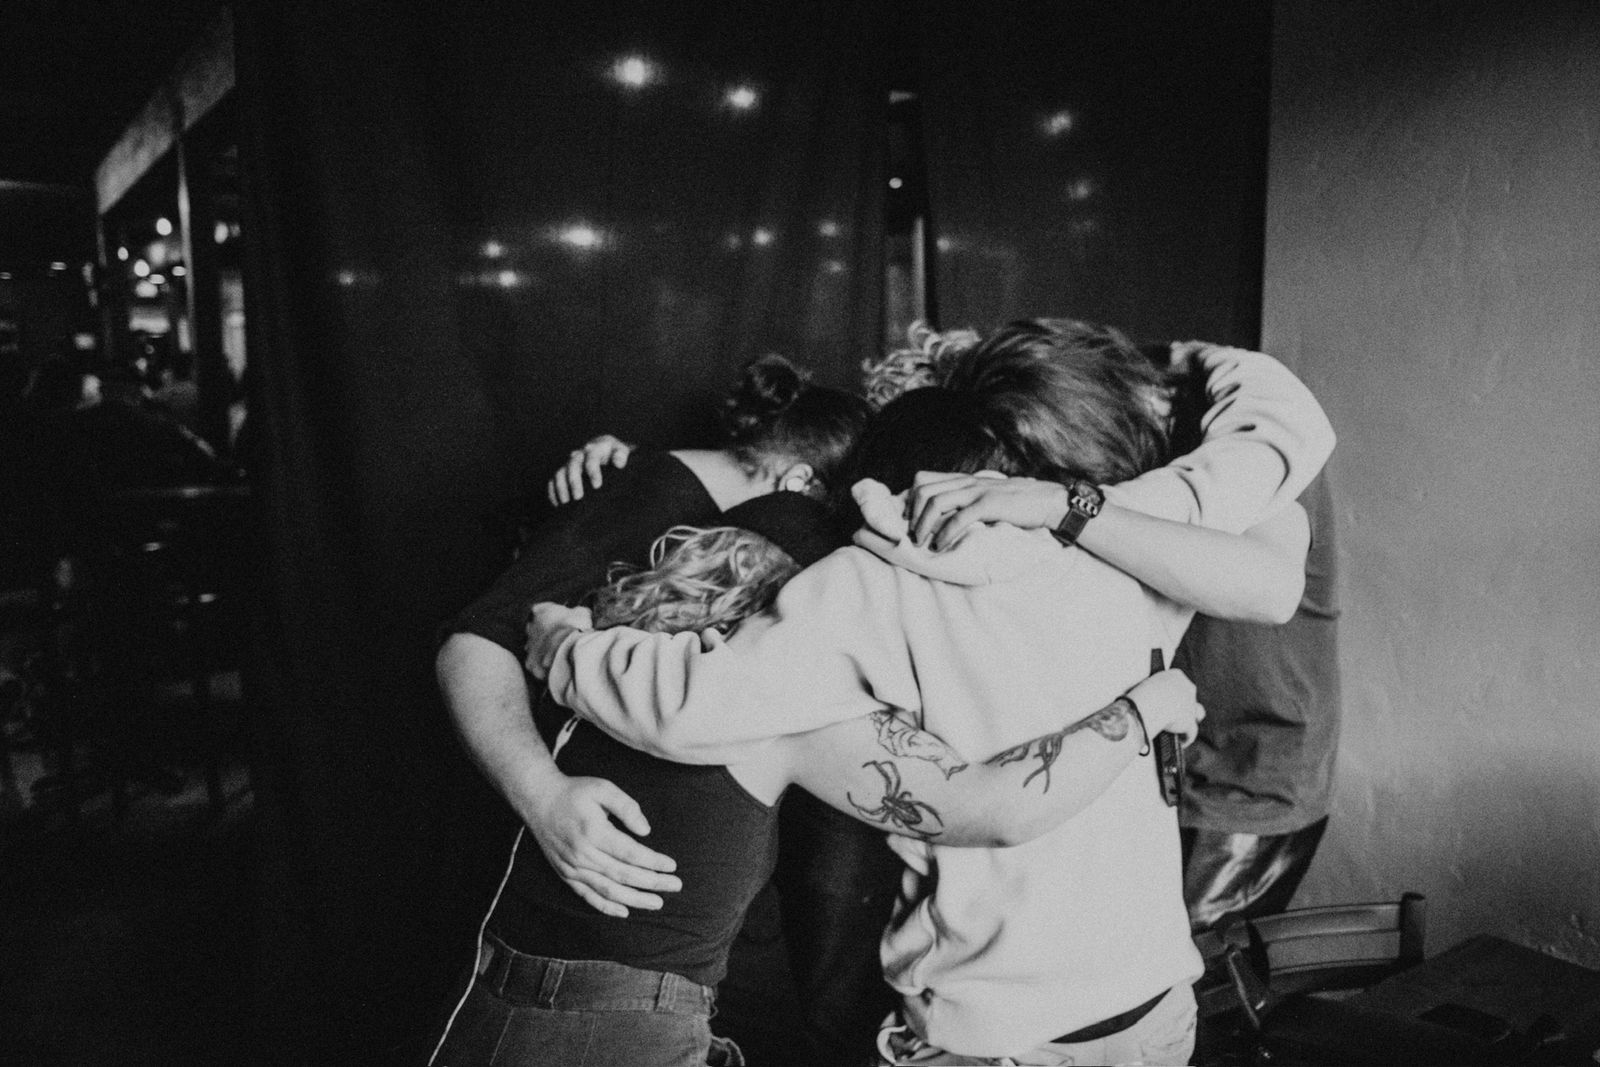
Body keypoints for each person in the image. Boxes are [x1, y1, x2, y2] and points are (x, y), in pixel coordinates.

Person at [528, 319, 1334, 1065]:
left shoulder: (870, 585)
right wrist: (1192, 357)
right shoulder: (1140, 540)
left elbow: (688, 707)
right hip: (1152, 1014)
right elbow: (1279, 433)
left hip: (993, 1037)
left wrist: (564, 645)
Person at [433, 451, 1207, 1066]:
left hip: (488, 991)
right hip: (613, 1028)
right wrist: (1152, 702)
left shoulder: (611, 651)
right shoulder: (779, 710)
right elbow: (993, 805)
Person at [1175, 471, 1342, 931]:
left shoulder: (1268, 444)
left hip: (1251, 774)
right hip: (1180, 761)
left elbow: (1267, 593)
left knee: (1177, 961)